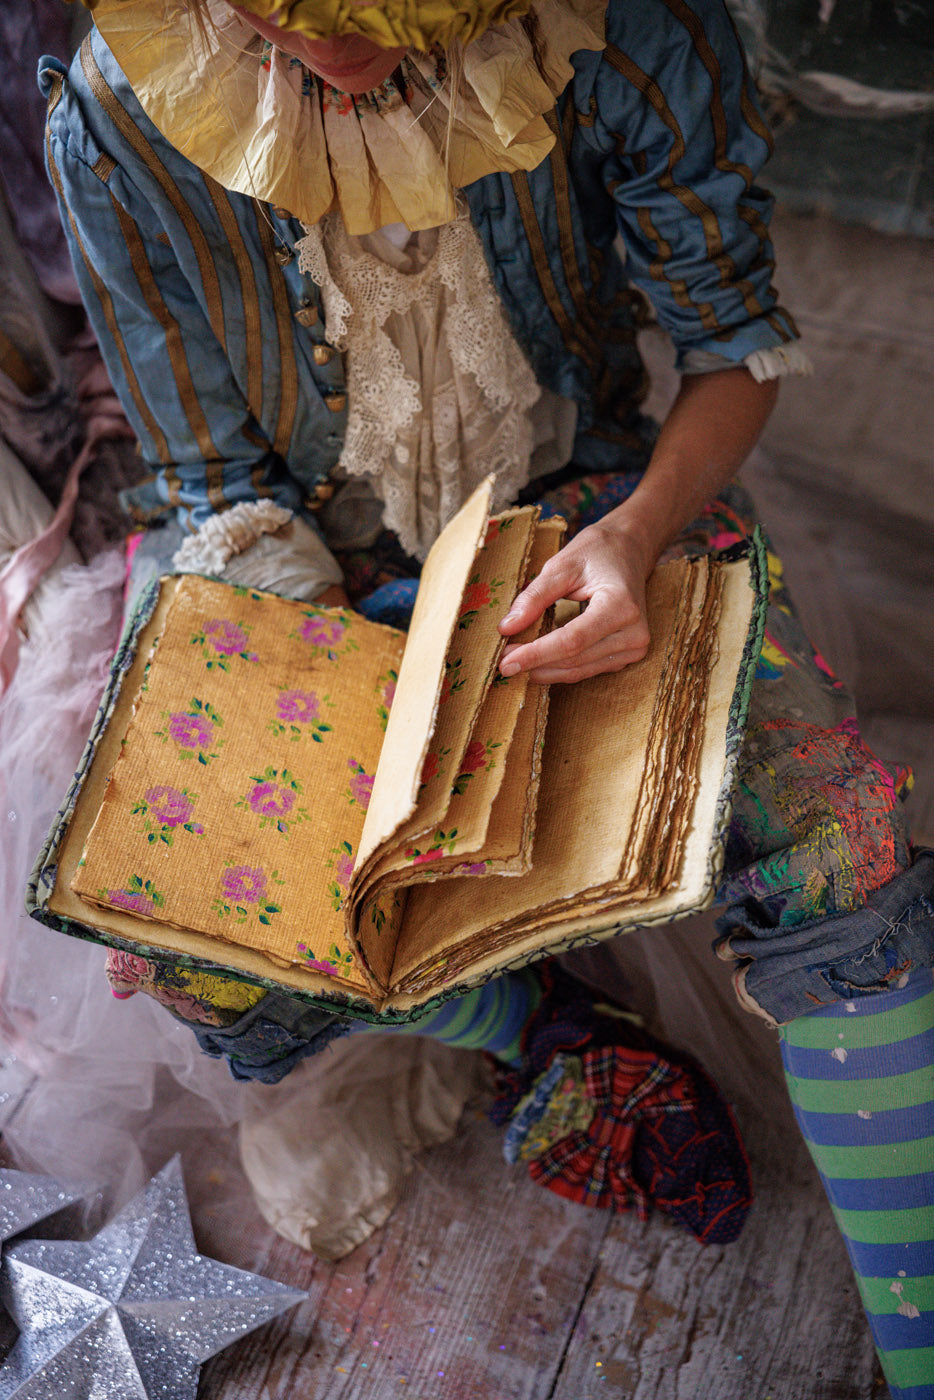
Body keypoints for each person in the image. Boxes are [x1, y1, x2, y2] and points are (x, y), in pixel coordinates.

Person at [39, 0, 933, 1392]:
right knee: (194, 924)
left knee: (842, 858)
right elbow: (211, 478)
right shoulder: (121, 105)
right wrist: (318, 692)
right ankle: (539, 1030)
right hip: (293, 556)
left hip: (596, 509)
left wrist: (634, 535)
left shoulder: (628, 30)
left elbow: (731, 345)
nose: (327, 49)